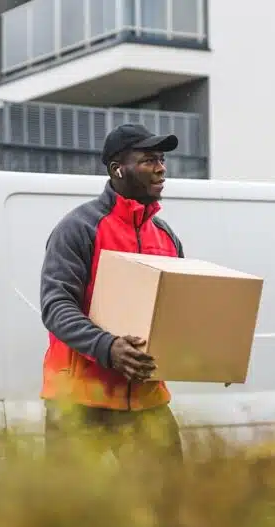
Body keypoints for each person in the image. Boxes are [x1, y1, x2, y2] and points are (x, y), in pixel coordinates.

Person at [39, 123, 186, 464]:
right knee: (76, 510)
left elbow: (177, 311)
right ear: (117, 168)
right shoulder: (78, 229)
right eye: (149, 159)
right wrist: (109, 347)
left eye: (162, 159)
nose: (161, 168)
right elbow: (56, 306)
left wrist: (212, 358)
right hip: (80, 402)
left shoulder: (166, 237)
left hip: (148, 400)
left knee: (170, 504)